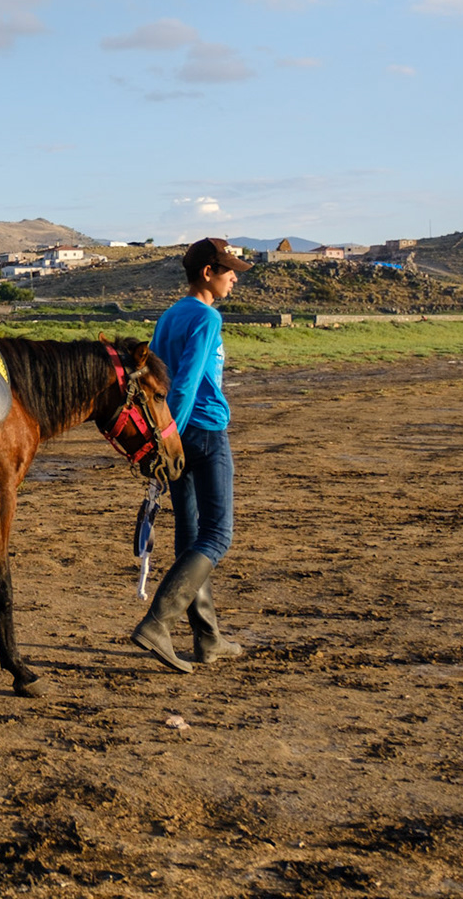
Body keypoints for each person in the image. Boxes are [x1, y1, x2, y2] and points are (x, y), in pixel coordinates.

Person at [132, 237, 252, 673]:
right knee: (218, 535)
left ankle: (208, 638)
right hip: (201, 433)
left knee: (191, 537)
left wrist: (162, 438)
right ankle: (158, 623)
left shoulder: (169, 316)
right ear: (207, 273)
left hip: (178, 433)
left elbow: (152, 378)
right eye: (228, 270)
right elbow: (182, 385)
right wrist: (172, 440)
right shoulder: (206, 317)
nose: (234, 278)